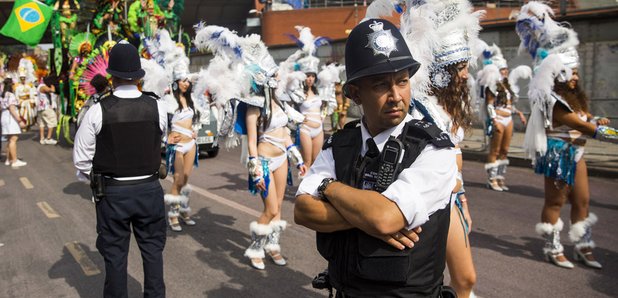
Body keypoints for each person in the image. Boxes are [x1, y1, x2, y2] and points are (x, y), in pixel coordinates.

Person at [294, 19, 457, 297]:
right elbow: (302, 211)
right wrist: (365, 216)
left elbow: (384, 218)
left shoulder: (433, 149)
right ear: (356, 93)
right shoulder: (340, 145)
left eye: (402, 82)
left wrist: (327, 187)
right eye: (381, 85)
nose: (396, 96)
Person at [516, 1, 618, 270]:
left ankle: (582, 246)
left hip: (577, 152)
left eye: (575, 72)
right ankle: (552, 246)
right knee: (556, 201)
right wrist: (603, 130)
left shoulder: (573, 97)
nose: (575, 77)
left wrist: (596, 119)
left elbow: (585, 119)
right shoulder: (553, 101)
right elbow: (583, 126)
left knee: (582, 200)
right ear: (556, 74)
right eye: (570, 73)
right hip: (560, 154)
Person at [400, 1, 483, 296]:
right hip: (428, 206)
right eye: (459, 68)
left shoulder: (447, 109)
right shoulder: (421, 110)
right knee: (421, 283)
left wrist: (463, 201)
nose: (464, 75)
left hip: (451, 200)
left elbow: (455, 160)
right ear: (440, 71)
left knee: (465, 279)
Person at [73, 41, 168, 297]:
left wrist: (97, 180)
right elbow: (161, 141)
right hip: (150, 190)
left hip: (113, 194)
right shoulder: (157, 106)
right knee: (153, 253)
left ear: (111, 77)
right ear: (138, 76)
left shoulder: (97, 110)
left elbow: (81, 160)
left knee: (115, 258)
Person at [477, 43, 528, 191]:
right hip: (498, 119)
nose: (506, 71)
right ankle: (491, 179)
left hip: (508, 119)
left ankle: (500, 178)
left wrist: (518, 113)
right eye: (503, 69)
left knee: (505, 150)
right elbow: (489, 104)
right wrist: (493, 120)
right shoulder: (492, 85)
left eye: (506, 69)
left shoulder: (507, 86)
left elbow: (509, 105)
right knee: (495, 150)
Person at [164, 75, 199, 232]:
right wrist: (166, 138)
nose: (186, 83)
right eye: (183, 80)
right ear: (176, 82)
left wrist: (194, 131)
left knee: (185, 179)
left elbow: (196, 120)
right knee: (177, 180)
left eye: (188, 81)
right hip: (177, 146)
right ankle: (173, 215)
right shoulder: (168, 99)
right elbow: (160, 122)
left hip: (190, 144)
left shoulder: (191, 100)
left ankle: (184, 211)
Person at [1, 78, 27, 168]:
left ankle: (9, 159)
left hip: (4, 116)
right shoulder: (11, 95)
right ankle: (14, 161)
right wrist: (20, 121)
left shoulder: (3, 95)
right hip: (10, 118)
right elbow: (12, 109)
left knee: (9, 139)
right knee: (13, 139)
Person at [36, 76, 59, 145]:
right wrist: (52, 85)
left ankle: (42, 139)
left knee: (42, 124)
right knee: (52, 121)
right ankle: (48, 138)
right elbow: (52, 90)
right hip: (46, 108)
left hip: (41, 108)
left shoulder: (40, 86)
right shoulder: (43, 86)